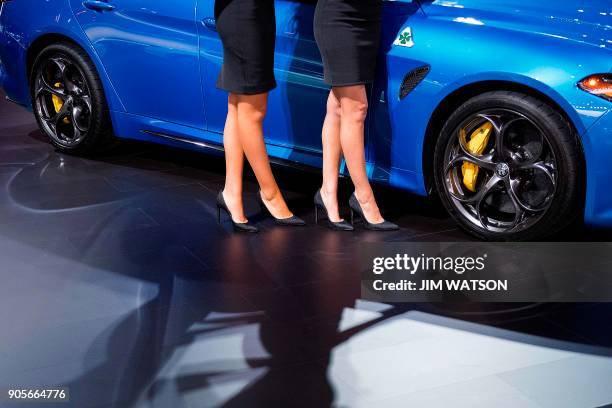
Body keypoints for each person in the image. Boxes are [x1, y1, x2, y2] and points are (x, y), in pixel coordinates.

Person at [214, 0, 305, 233]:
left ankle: (231, 193)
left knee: (238, 106)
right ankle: (269, 193)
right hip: (243, 15)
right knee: (253, 110)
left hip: (256, 13)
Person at [313, 0, 399, 231]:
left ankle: (328, 191)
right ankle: (363, 196)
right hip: (338, 18)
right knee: (356, 108)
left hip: (369, 19)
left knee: (338, 107)